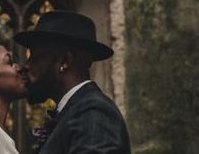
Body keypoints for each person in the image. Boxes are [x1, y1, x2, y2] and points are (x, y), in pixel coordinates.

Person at [14, 10, 131, 153]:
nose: (26, 65)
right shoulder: (73, 112)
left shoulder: (94, 112)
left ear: (65, 61)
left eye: (35, 57)